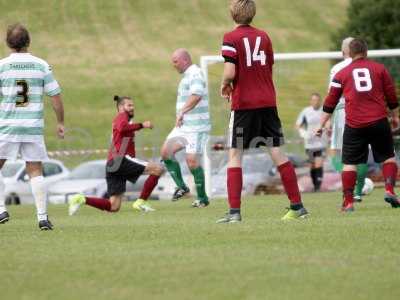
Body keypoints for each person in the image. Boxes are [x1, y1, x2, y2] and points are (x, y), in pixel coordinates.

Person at [217, 0, 308, 222]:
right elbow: (268, 66)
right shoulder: (264, 37)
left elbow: (230, 71)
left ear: (233, 14)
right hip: (267, 102)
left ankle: (234, 213)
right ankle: (297, 206)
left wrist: (224, 84)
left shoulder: (230, 38)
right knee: (277, 152)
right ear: (252, 14)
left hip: (244, 106)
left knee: (235, 154)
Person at [317, 38, 399, 212]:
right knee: (388, 157)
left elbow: (330, 102)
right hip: (378, 121)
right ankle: (390, 190)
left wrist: (321, 123)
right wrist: (395, 116)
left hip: (354, 124)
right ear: (366, 52)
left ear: (349, 53)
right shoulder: (380, 69)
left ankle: (348, 202)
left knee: (349, 163)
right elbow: (391, 96)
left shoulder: (341, 73)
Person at [0, 24, 64, 230]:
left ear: (8, 43)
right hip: (33, 126)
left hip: (7, 125)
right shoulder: (41, 65)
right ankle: (42, 217)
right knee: (35, 170)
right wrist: (61, 122)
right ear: (28, 41)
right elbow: (55, 96)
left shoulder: (2, 66)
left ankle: (1, 209)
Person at [68, 96, 164, 215]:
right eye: (129, 105)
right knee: (158, 169)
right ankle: (141, 202)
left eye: (133, 105)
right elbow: (122, 127)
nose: (132, 108)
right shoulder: (121, 116)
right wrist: (142, 125)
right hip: (120, 160)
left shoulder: (126, 121)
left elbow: (123, 134)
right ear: (120, 108)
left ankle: (80, 199)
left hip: (113, 164)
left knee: (114, 206)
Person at [160, 49, 210, 208]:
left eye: (175, 61)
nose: (173, 64)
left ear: (185, 60)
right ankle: (182, 187)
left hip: (197, 126)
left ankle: (202, 198)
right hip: (184, 125)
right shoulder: (187, 76)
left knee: (192, 161)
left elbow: (196, 95)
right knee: (166, 152)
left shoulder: (195, 73)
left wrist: (182, 111)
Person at [329, 37, 368, 202]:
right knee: (363, 152)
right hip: (366, 111)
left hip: (343, 110)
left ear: (343, 51)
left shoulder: (337, 68)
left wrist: (326, 120)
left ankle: (348, 191)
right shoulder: (368, 66)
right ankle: (358, 191)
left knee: (340, 153)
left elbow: (331, 94)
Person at [295, 93, 326, 192]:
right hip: (309, 143)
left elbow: (328, 123)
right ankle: (315, 185)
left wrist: (326, 129)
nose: (315, 102)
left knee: (319, 163)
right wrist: (303, 133)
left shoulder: (323, 111)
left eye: (317, 100)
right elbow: (298, 125)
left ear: (320, 101)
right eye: (313, 100)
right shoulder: (306, 111)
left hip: (321, 142)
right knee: (312, 165)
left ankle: (318, 187)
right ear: (310, 101)